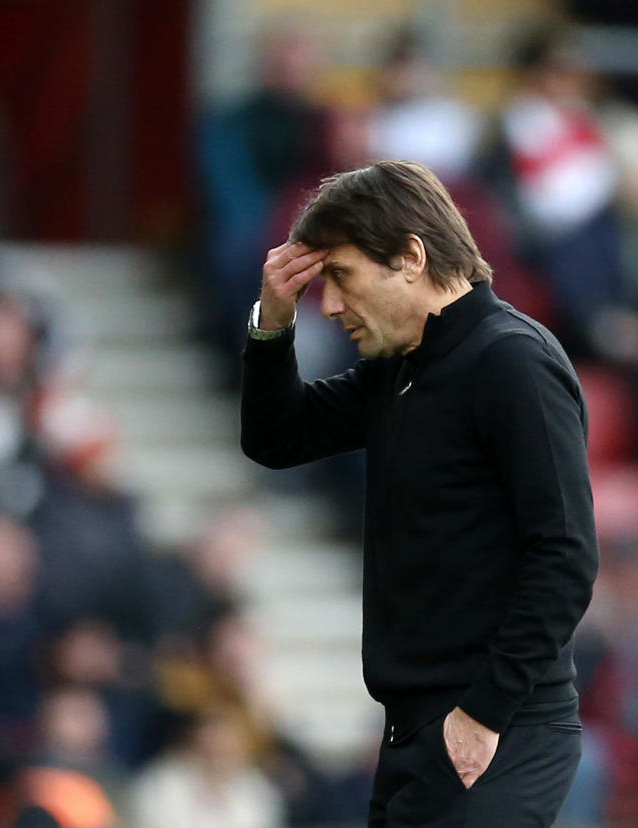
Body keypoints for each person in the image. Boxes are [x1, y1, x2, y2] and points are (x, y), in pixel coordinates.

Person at [240, 160, 598, 826]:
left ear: (410, 257)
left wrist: (483, 713)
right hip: (416, 731)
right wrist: (272, 324)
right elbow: (276, 439)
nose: (333, 305)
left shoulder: (511, 360)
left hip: (496, 729)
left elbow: (566, 555)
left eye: (341, 277)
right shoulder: (401, 366)